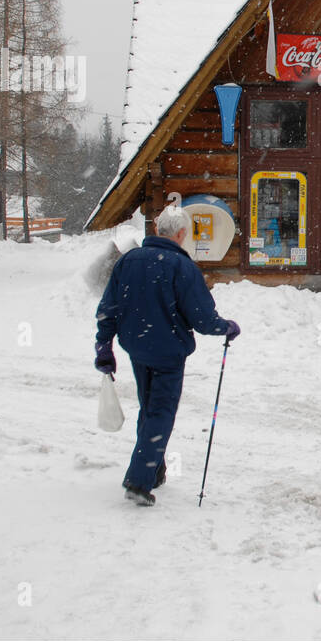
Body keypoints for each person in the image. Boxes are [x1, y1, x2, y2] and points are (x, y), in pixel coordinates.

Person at [94, 205, 240, 506]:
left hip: (136, 347)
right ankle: (139, 480)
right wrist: (226, 327)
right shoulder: (182, 267)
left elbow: (108, 308)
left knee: (149, 409)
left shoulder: (129, 261)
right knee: (160, 414)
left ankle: (154, 471)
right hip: (168, 354)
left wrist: (104, 346)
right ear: (182, 233)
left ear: (158, 229)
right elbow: (202, 318)